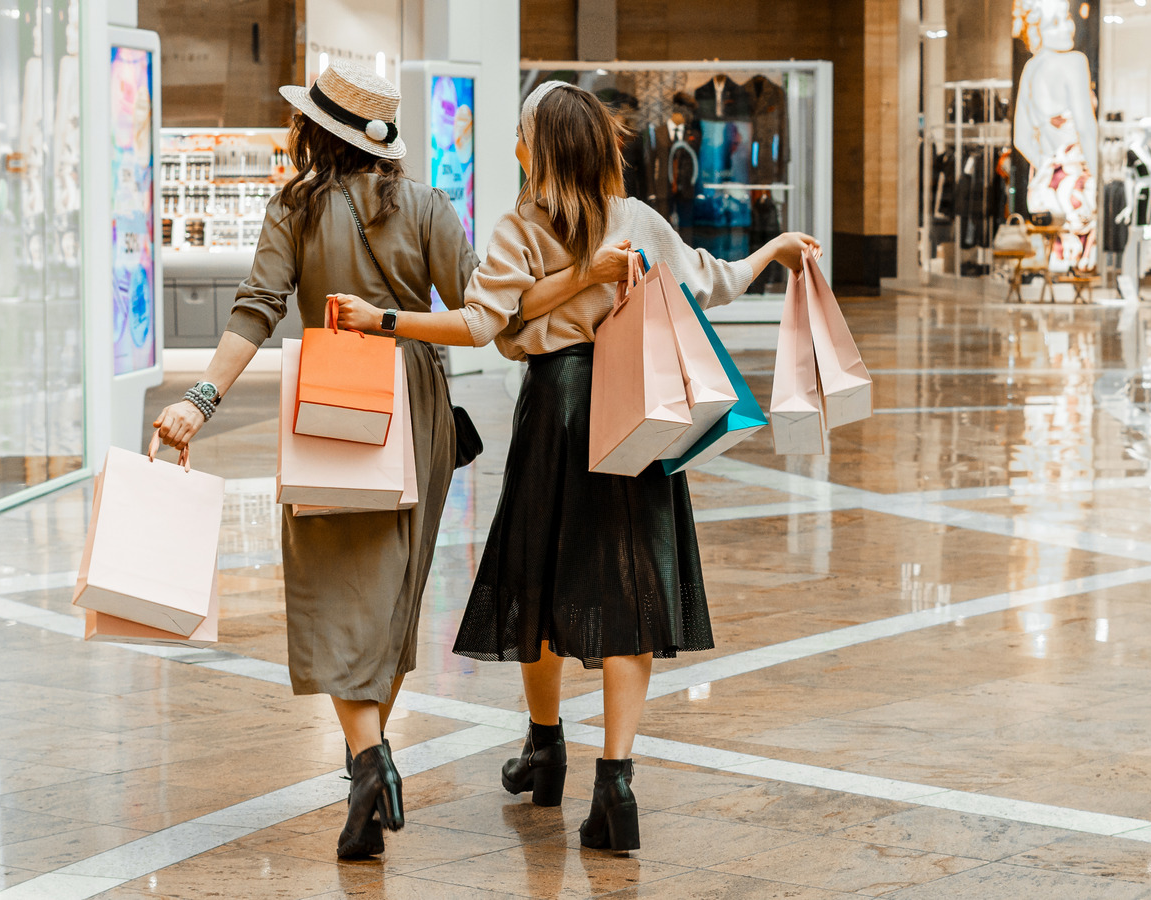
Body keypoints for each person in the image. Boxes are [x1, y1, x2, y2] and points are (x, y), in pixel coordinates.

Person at [328, 81, 819, 852]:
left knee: (541, 583)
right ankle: (614, 784)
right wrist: (776, 251)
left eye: (522, 136)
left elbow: (485, 323)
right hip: (638, 405)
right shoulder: (638, 221)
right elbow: (716, 282)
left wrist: (384, 321)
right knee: (630, 588)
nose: (514, 148)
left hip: (558, 409)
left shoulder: (520, 229)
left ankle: (545, 746)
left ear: (542, 150)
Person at [150, 62, 596, 861]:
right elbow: (480, 314)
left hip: (330, 401)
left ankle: (368, 763)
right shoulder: (428, 206)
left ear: (314, 133)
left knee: (333, 590)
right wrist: (583, 278)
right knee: (392, 598)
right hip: (417, 408)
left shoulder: (294, 205)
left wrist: (200, 403)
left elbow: (257, 310)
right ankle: (368, 761)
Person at [1012, 0, 1099, 272]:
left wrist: (1049, 167)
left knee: (1056, 262)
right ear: (1038, 30)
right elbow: (1086, 128)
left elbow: (1021, 139)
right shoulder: (1074, 62)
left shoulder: (1031, 69)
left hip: (1043, 188)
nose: (1067, 28)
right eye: (1055, 22)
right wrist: (1097, 176)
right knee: (1078, 266)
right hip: (1075, 189)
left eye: (1067, 18)